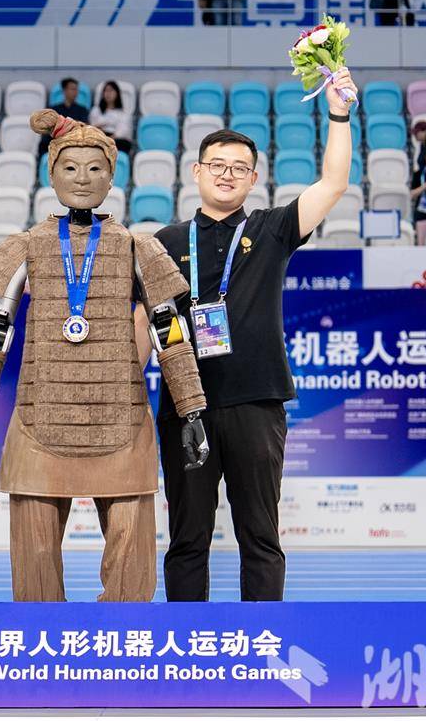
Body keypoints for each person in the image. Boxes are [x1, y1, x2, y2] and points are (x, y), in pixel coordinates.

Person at [0, 110, 209, 603]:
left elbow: (171, 334)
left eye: (95, 168)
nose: (83, 178)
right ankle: (42, 643)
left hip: (122, 420)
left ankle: (122, 643)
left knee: (132, 565)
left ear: (112, 177)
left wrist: (192, 408)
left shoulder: (138, 248)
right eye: (70, 168)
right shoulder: (26, 246)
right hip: (39, 417)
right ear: (51, 176)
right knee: (35, 565)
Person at [153, 68, 359, 602]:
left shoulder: (271, 230)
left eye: (239, 168)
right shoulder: (164, 241)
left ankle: (262, 638)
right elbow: (140, 321)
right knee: (186, 540)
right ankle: (188, 641)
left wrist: (339, 114)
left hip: (257, 403)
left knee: (261, 538)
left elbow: (333, 184)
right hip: (184, 406)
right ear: (196, 171)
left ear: (253, 178)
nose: (227, 175)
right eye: (217, 165)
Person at [38, 77, 90, 157]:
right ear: (65, 91)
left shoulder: (82, 110)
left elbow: (83, 126)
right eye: (73, 89)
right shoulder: (54, 110)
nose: (76, 92)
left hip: (75, 142)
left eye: (76, 90)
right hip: (56, 141)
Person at [89, 80, 133, 155]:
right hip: (100, 137)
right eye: (106, 91)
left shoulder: (123, 113)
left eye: (111, 91)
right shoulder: (96, 110)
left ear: (117, 93)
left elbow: (122, 131)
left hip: (115, 140)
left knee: (121, 144)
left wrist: (109, 139)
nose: (108, 93)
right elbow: (93, 127)